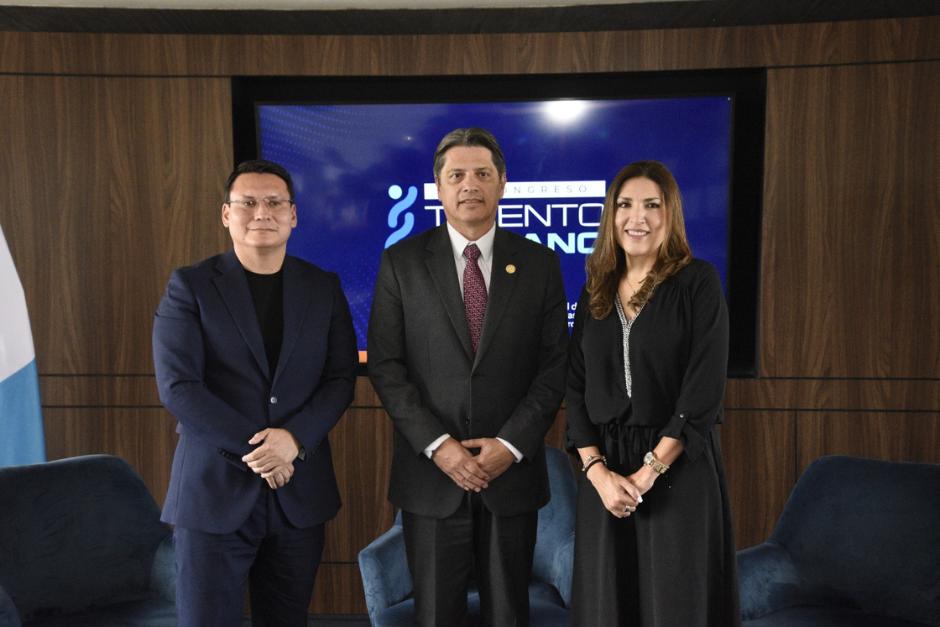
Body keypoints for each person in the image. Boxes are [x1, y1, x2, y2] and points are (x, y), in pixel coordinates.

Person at [368, 127, 568, 626]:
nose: (469, 185)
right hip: (431, 478)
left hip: (511, 477)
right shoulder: (402, 263)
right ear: (438, 187)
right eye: (456, 175)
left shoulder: (539, 263)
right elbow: (387, 367)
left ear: (502, 183)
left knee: (509, 615)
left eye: (482, 173)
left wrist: (511, 445)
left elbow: (554, 367)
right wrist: (440, 446)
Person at [152, 159, 357, 627]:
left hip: (298, 494)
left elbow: (340, 378)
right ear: (227, 214)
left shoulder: (322, 287)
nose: (261, 212)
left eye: (274, 202)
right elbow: (179, 386)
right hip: (214, 494)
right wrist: (265, 451)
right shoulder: (191, 286)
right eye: (247, 203)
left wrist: (294, 440)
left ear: (293, 215)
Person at [566, 160, 740, 626]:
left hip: (675, 470)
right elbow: (575, 387)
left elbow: (703, 389)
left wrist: (647, 474)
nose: (636, 217)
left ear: (670, 213)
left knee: (674, 607)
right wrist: (598, 474)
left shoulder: (698, 282)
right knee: (606, 608)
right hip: (604, 479)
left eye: (651, 205)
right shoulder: (594, 289)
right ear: (611, 215)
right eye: (625, 205)